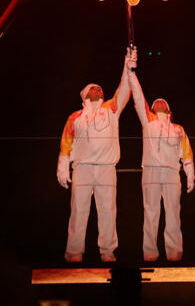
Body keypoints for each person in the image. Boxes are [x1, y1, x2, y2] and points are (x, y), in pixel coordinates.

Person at [56, 47, 135, 262]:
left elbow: (124, 88)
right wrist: (62, 168)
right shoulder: (75, 117)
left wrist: (127, 65)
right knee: (79, 210)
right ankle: (74, 251)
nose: (98, 89)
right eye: (93, 88)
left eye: (100, 88)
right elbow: (66, 143)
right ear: (85, 94)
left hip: (106, 168)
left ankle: (107, 251)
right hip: (82, 168)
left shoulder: (111, 110)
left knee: (108, 210)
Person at [127, 54, 195, 262]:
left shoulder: (178, 129)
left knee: (173, 212)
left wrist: (190, 174)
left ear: (169, 110)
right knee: (151, 212)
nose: (158, 102)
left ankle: (174, 253)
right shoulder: (148, 121)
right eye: (155, 102)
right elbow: (138, 97)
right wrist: (131, 73)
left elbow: (187, 153)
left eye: (162, 102)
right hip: (151, 171)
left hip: (172, 173)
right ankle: (150, 253)